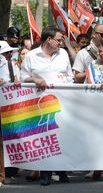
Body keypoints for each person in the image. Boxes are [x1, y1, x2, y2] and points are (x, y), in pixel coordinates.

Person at [20, 26, 73, 186]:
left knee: (61, 137)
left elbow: (69, 76)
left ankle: (62, 171)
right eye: (58, 39)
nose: (61, 42)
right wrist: (35, 80)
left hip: (62, 102)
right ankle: (46, 173)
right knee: (46, 137)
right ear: (48, 40)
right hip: (40, 104)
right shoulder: (30, 56)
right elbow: (23, 77)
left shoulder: (63, 54)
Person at [0, 41, 19, 187]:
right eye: (5, 53)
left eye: (9, 52)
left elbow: (17, 82)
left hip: (7, 107)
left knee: (5, 141)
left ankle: (4, 174)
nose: (8, 55)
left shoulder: (12, 66)